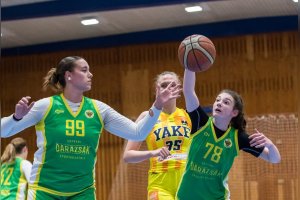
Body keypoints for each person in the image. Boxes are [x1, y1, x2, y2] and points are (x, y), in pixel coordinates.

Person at [1, 56, 181, 200]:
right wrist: (16, 117)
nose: (91, 74)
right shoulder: (45, 106)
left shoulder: (98, 109)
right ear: (68, 75)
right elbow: (4, 131)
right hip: (44, 190)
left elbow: (138, 132)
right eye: (84, 70)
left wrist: (157, 105)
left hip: (82, 191)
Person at [175, 69, 281, 200]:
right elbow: (188, 91)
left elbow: (274, 159)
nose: (219, 103)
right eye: (217, 100)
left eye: (226, 102)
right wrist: (189, 66)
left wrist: (270, 145)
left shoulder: (238, 137)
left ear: (234, 112)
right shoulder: (201, 123)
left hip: (217, 197)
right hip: (187, 196)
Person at [123, 71, 192, 200]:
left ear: (179, 89)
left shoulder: (188, 116)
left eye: (172, 85)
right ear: (156, 90)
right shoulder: (147, 117)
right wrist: (153, 153)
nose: (168, 88)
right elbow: (128, 156)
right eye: (164, 85)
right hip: (159, 183)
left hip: (187, 181)